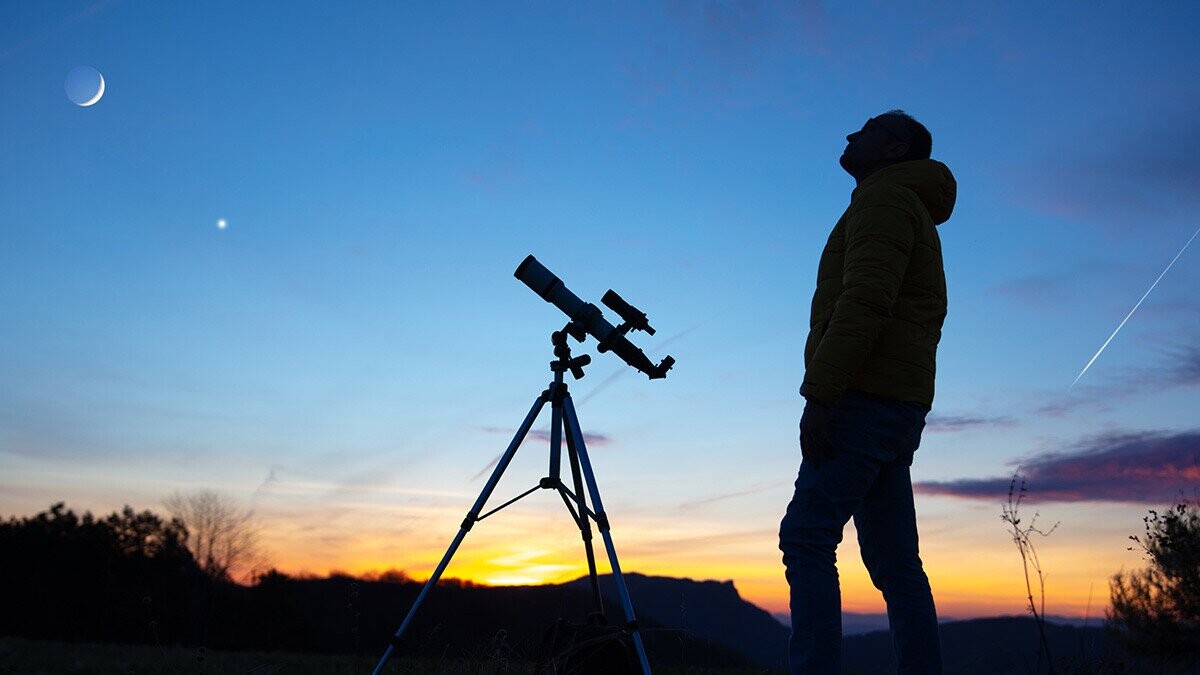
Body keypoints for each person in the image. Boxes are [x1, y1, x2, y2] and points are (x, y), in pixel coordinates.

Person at [778, 110, 956, 674]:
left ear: (895, 149)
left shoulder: (885, 201)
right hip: (897, 401)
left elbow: (865, 301)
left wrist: (821, 394)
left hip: (864, 397)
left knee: (807, 537)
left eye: (868, 129)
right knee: (896, 563)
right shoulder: (904, 205)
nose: (851, 134)